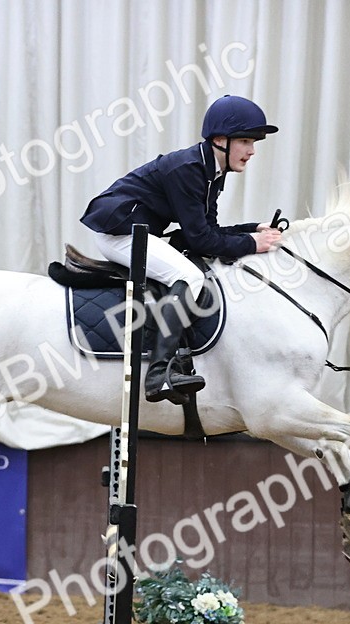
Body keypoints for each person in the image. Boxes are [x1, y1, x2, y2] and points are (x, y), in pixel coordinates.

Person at [80, 95, 282, 404]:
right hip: (118, 231)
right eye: (245, 140)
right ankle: (159, 374)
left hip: (135, 230)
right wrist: (252, 245)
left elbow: (204, 232)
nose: (252, 150)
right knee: (189, 276)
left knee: (190, 268)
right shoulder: (188, 169)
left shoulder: (211, 169)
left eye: (253, 142)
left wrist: (250, 229)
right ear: (220, 140)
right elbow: (202, 240)